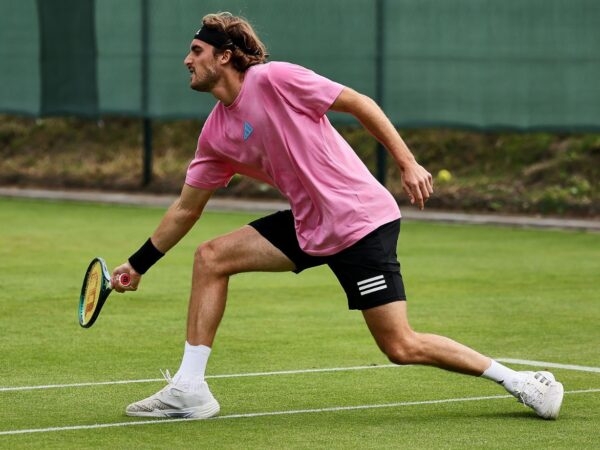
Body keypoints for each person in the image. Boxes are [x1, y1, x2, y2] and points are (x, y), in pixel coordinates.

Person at [112, 12, 564, 420]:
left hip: (361, 220)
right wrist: (137, 264)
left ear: (226, 56)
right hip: (311, 224)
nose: (187, 61)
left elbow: (359, 103)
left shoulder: (274, 79)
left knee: (400, 346)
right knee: (211, 257)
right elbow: (187, 207)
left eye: (196, 51)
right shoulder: (215, 133)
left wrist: (407, 162)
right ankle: (189, 390)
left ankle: (520, 381)